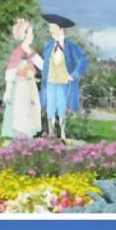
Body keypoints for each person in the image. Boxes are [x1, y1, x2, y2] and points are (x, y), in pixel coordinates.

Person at [40, 13, 87, 141]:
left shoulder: (71, 46)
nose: (50, 30)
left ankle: (62, 134)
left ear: (60, 29)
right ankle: (50, 133)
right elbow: (45, 63)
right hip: (49, 82)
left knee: (61, 107)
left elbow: (82, 60)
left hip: (63, 82)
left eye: (52, 27)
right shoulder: (48, 46)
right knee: (50, 108)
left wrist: (74, 75)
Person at [1, 18, 43, 138]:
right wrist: (8, 91)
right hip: (21, 85)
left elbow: (42, 65)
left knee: (32, 109)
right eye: (30, 32)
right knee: (22, 110)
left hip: (31, 85)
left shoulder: (31, 51)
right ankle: (21, 136)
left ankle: (29, 136)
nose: (32, 35)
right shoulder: (17, 52)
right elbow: (11, 71)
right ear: (24, 35)